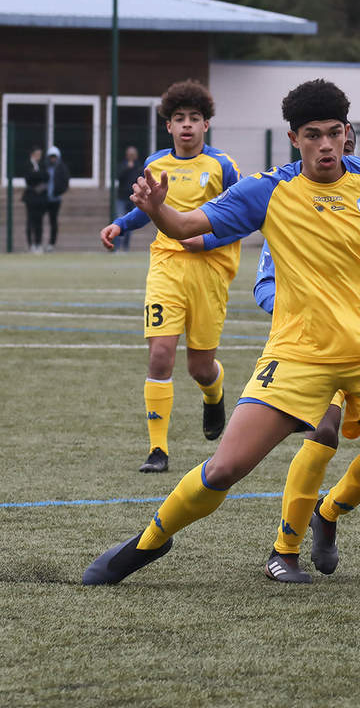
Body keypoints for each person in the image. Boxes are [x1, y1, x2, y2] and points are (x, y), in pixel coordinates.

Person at [84, 78, 360, 601]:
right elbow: (188, 225)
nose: (326, 145)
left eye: (335, 134)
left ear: (348, 134)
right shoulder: (267, 189)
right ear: (295, 139)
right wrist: (159, 209)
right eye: (313, 135)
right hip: (300, 355)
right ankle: (149, 541)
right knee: (225, 467)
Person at [254, 126, 360, 585]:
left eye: (340, 143)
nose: (331, 151)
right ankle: (284, 550)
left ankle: (328, 512)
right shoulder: (290, 208)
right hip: (314, 348)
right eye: (318, 139)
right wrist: (300, 306)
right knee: (322, 432)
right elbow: (265, 284)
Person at [98, 80, 241, 473]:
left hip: (210, 271)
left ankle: (213, 394)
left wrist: (206, 240)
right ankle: (157, 451)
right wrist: (120, 225)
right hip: (165, 265)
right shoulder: (155, 164)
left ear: (206, 125)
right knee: (160, 354)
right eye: (179, 119)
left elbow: (242, 218)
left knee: (200, 367)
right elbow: (148, 209)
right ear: (168, 126)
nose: (187, 125)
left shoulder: (222, 166)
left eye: (195, 118)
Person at [40, 145, 70, 252]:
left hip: (56, 199)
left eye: (54, 157)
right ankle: (38, 243)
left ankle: (51, 244)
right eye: (51, 157)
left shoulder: (62, 168)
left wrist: (59, 191)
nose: (53, 159)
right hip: (44, 198)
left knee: (53, 222)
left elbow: (65, 183)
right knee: (39, 221)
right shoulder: (44, 167)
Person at [113, 145, 143, 252]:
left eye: (133, 154)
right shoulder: (122, 165)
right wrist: (127, 168)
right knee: (119, 220)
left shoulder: (139, 166)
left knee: (129, 222)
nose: (131, 156)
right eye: (130, 154)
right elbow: (117, 176)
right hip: (121, 197)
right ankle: (116, 246)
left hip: (133, 198)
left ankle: (125, 247)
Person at [22, 145, 47, 254]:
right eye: (37, 154)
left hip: (40, 198)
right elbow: (29, 178)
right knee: (30, 221)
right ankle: (30, 244)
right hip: (30, 197)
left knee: (39, 222)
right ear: (32, 154)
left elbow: (46, 176)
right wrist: (38, 175)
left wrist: (37, 175)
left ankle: (38, 243)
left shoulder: (42, 165)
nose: (39, 156)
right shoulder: (27, 164)